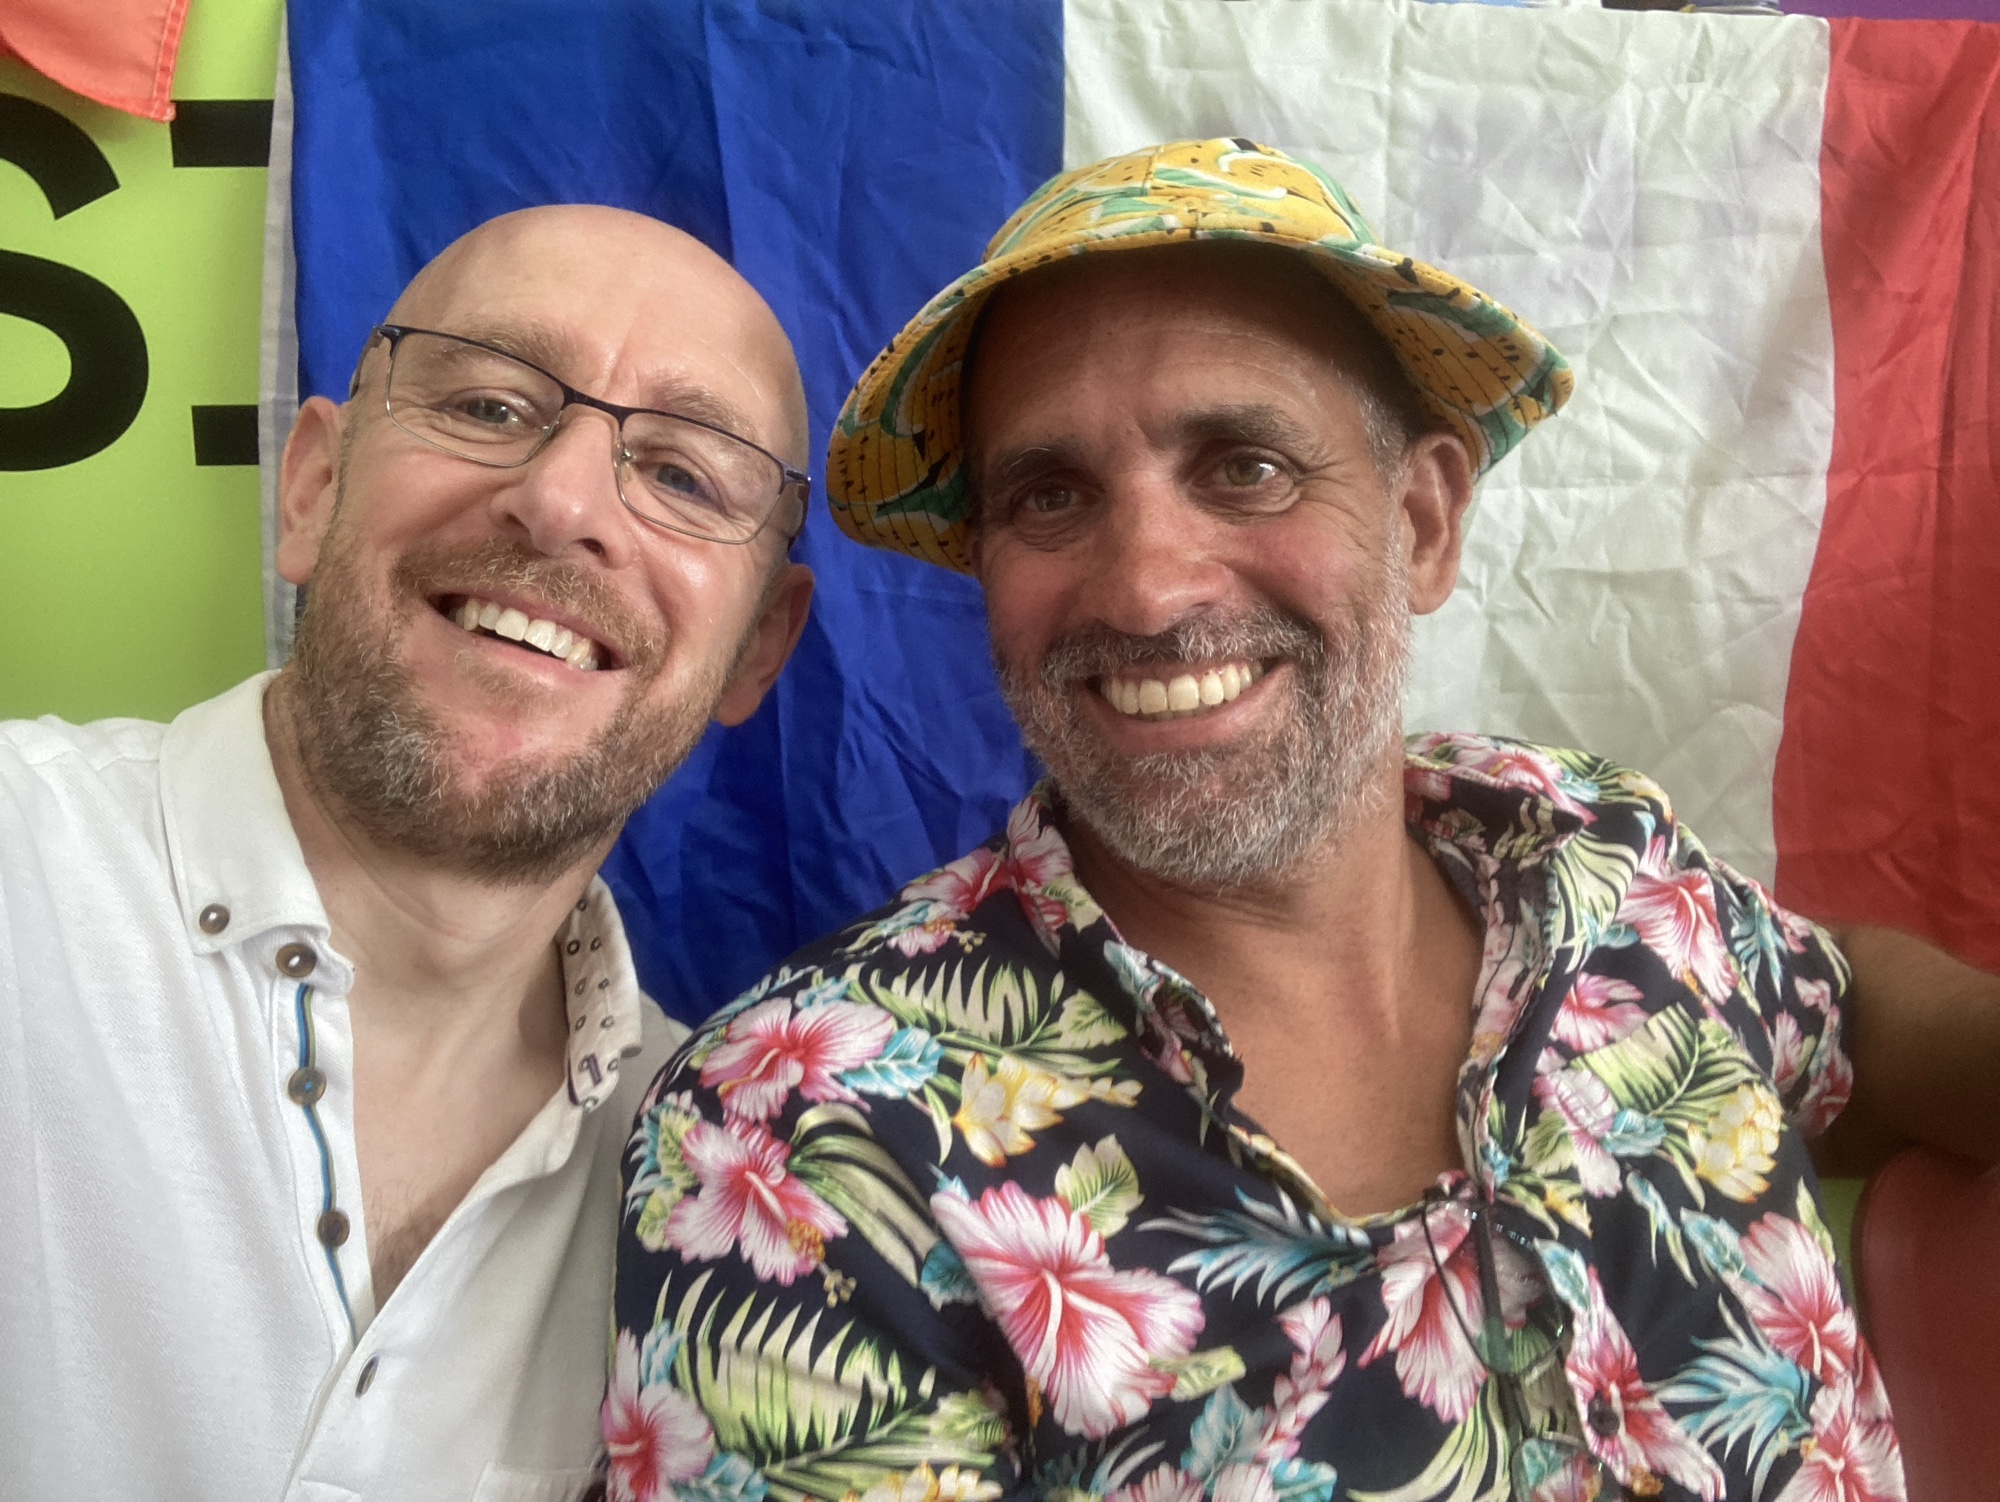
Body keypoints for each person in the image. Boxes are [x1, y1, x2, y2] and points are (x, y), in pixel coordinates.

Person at [609, 141, 1999, 1502]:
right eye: (1049, 495)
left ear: (1423, 520)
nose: (1148, 588)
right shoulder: (801, 1137)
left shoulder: (1592, 849)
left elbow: (1841, 1010)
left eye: (1246, 466)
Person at [0, 204, 815, 1499]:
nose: (560, 504)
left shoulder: (716, 1187)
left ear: (757, 649)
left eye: (682, 476)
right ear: (313, 488)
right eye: (490, 405)